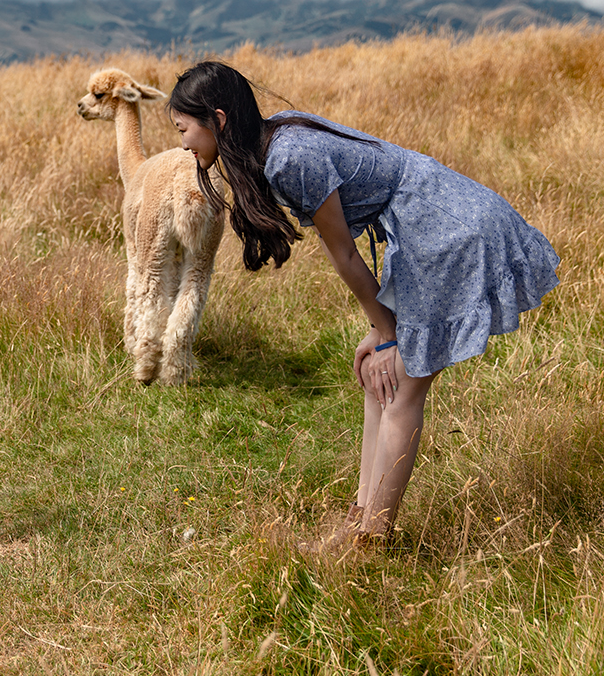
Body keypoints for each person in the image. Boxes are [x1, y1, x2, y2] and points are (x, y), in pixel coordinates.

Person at [167, 61, 559, 548]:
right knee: (382, 380)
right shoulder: (279, 139)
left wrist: (390, 333)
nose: (183, 144)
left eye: (184, 130)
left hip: (449, 229)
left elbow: (346, 255)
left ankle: (370, 541)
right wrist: (381, 331)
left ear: (218, 120)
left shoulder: (288, 159)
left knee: (399, 389)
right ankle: (360, 524)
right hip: (428, 226)